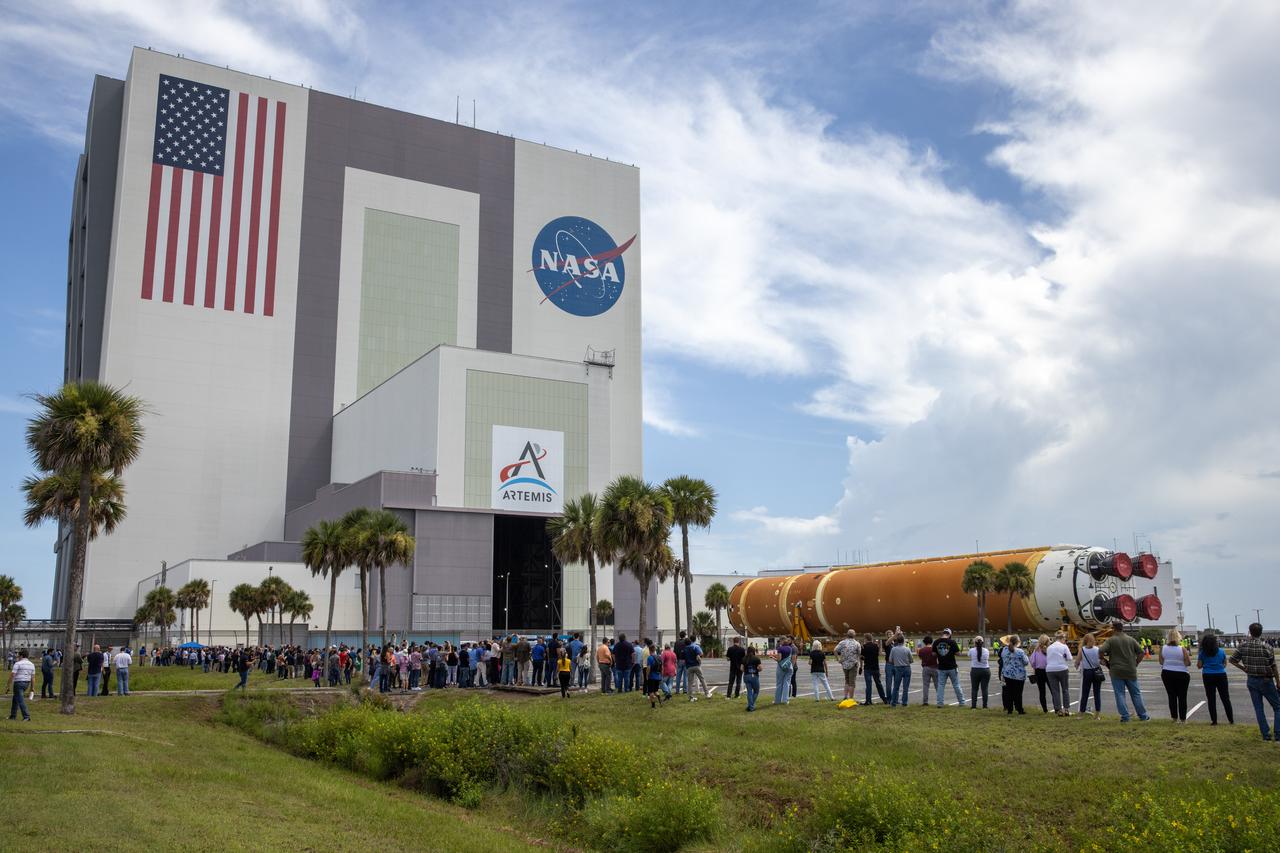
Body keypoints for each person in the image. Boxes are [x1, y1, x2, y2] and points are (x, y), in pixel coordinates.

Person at [1228, 622, 1280, 740]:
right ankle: (1278, 734)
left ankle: (1266, 735)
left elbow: (1232, 660)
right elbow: (1274, 666)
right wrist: (1278, 681)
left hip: (1252, 680)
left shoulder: (1243, 646)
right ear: (1261, 633)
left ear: (1250, 632)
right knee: (1277, 707)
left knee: (1258, 708)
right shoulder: (1267, 647)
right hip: (1266, 679)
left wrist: (1244, 669)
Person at [1099, 629, 1150, 722]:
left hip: (1116, 671)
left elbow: (1101, 650)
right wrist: (1136, 662)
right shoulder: (1131, 639)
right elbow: (1141, 652)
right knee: (1136, 694)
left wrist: (1106, 662)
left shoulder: (1111, 640)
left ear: (1114, 629)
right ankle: (1143, 715)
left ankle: (1125, 716)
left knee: (1120, 694)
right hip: (1130, 670)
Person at [1196, 631, 1233, 725]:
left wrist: (1206, 664)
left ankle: (1214, 721)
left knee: (1211, 698)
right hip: (1221, 674)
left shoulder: (1202, 652)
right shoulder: (1221, 651)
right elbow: (1225, 663)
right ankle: (1230, 719)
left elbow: (1199, 666)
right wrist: (1219, 666)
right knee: (1225, 698)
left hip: (1208, 675)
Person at [1158, 629, 1191, 722]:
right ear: (1178, 638)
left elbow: (1161, 661)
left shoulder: (1162, 648)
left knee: (1171, 696)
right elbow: (1188, 663)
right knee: (1182, 697)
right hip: (1182, 674)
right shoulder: (1182, 649)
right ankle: (1183, 719)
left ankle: (1174, 717)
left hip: (1167, 673)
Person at [933, 629, 965, 707]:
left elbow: (933, 654)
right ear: (950, 635)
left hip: (941, 667)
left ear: (943, 633)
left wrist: (940, 653)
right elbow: (958, 653)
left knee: (941, 685)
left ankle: (940, 703)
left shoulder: (936, 642)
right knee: (956, 685)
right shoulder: (952, 642)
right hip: (952, 667)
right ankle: (961, 702)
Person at [1075, 633, 1104, 717]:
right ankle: (1097, 714)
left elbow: (1077, 661)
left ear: (1085, 641)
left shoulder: (1082, 650)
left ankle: (1081, 713)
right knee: (1097, 693)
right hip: (1097, 671)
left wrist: (1077, 666)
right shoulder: (1097, 649)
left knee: (1085, 693)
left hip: (1087, 672)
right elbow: (1101, 661)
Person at [1045, 631, 1073, 716]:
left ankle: (1059, 710)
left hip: (1050, 669)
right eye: (1065, 638)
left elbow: (1048, 658)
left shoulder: (1049, 647)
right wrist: (1064, 657)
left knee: (1055, 691)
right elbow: (1070, 658)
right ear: (1061, 638)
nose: (1065, 640)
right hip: (1062, 668)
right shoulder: (1064, 646)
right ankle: (1066, 709)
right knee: (1065, 689)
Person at [1000, 635, 1029, 714]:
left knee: (1009, 692)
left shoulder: (1004, 650)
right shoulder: (1020, 651)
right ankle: (1019, 709)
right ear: (1017, 642)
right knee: (1018, 693)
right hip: (1019, 675)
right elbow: (1026, 662)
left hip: (1007, 674)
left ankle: (1010, 709)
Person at [834, 630, 862, 701]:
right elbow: (860, 655)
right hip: (853, 664)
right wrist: (861, 665)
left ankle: (845, 696)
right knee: (852, 682)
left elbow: (835, 650)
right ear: (854, 635)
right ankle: (851, 698)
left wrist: (838, 659)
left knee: (847, 681)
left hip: (844, 664)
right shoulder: (857, 643)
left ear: (847, 635)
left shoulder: (842, 642)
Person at [8, 649, 34, 721]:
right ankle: (13, 716)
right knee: (15, 699)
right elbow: (33, 677)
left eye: (18, 656)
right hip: (27, 683)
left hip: (18, 683)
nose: (17, 657)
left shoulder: (18, 664)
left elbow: (12, 675)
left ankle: (26, 716)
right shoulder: (32, 664)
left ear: (21, 656)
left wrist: (8, 685)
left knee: (20, 700)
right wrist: (32, 687)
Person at [861, 634, 887, 705]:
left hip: (867, 668)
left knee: (868, 685)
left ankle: (868, 701)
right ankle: (884, 699)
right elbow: (879, 654)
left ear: (866, 639)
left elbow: (862, 657)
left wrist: (861, 666)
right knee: (878, 684)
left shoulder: (864, 647)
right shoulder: (876, 646)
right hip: (875, 667)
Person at [886, 635, 912, 706]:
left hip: (898, 668)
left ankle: (893, 702)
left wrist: (897, 661)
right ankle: (904, 702)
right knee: (905, 687)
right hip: (907, 668)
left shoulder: (893, 649)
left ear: (896, 641)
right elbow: (911, 660)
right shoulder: (907, 649)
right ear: (903, 641)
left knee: (896, 686)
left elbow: (890, 660)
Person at [968, 636, 991, 709]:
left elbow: (969, 656)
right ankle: (985, 706)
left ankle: (973, 706)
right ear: (983, 643)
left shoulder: (971, 650)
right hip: (985, 670)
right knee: (984, 689)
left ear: (975, 643)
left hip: (975, 670)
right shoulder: (986, 650)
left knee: (974, 689)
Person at [1029, 635, 1050, 713]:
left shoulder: (1036, 650)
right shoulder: (1049, 650)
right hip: (1048, 671)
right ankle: (1057, 707)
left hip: (1039, 671)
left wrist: (1035, 667)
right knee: (1053, 690)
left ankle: (1045, 709)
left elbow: (1032, 662)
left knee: (1042, 692)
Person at [773, 637, 796, 706]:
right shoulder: (791, 648)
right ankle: (785, 700)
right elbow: (793, 658)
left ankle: (777, 700)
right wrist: (791, 665)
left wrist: (774, 658)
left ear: (782, 641)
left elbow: (779, 659)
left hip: (781, 667)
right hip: (789, 667)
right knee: (787, 684)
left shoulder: (780, 649)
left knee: (779, 684)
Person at [917, 635, 938, 706]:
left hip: (925, 668)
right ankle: (939, 700)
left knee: (926, 685)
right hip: (935, 667)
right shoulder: (934, 649)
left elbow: (921, 658)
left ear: (924, 642)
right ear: (931, 641)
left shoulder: (921, 650)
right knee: (937, 685)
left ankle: (925, 701)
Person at [743, 645, 762, 712]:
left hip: (746, 676)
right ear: (754, 651)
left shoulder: (744, 658)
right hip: (754, 676)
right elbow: (760, 668)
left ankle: (750, 706)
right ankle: (751, 706)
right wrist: (757, 669)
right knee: (756, 691)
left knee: (749, 692)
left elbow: (741, 668)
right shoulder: (756, 658)